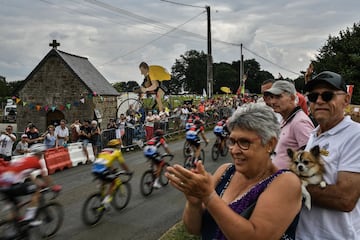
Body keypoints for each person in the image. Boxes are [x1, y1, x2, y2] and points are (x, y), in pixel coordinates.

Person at [166, 103, 302, 240]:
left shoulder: (286, 182)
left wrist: (209, 197)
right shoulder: (225, 171)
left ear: (270, 144)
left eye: (244, 142)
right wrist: (194, 203)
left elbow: (256, 236)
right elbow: (193, 229)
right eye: (232, 141)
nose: (235, 150)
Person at [296, 71, 360, 239]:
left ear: (346, 100)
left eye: (327, 95)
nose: (318, 101)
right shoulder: (314, 134)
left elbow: (344, 198)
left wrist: (290, 185)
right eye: (313, 96)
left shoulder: (356, 135)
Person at [0, 144, 61, 226]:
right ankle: (29, 218)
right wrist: (53, 187)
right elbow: (45, 176)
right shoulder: (36, 162)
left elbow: (29, 174)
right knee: (37, 191)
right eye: (43, 153)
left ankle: (11, 230)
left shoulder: (25, 159)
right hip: (12, 185)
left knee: (15, 209)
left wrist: (37, 182)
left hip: (3, 185)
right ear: (39, 153)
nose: (43, 155)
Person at [265, 80, 314, 169]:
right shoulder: (286, 119)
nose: (273, 101)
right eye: (272, 97)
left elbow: (311, 159)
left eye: (278, 97)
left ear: (292, 98)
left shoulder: (300, 122)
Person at [92, 139, 132, 208]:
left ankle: (101, 196)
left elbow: (106, 160)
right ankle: (106, 201)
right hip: (103, 170)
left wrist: (112, 169)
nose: (119, 147)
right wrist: (128, 171)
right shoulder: (116, 152)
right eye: (118, 145)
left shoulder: (103, 150)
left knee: (104, 181)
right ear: (116, 146)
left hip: (95, 169)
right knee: (114, 182)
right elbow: (122, 164)